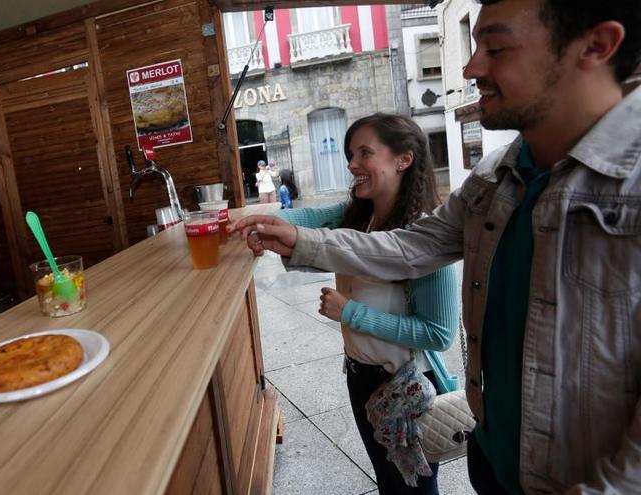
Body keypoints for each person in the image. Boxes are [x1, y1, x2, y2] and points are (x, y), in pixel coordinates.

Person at [231, 1, 641, 492]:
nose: (470, 67)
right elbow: (408, 249)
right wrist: (296, 237)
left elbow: (434, 328)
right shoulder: (496, 177)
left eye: (495, 47)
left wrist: (347, 308)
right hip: (494, 463)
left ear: (595, 46)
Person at [272, 114, 459, 494]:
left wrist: (350, 312)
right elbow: (303, 219)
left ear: (403, 159)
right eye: (350, 153)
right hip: (361, 377)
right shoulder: (361, 215)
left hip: (401, 386)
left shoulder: (423, 236)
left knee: (412, 488)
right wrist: (250, 226)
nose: (351, 164)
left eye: (365, 153)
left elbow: (438, 334)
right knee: (390, 483)